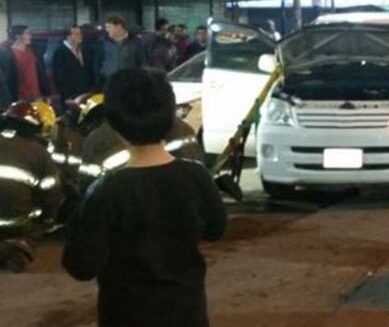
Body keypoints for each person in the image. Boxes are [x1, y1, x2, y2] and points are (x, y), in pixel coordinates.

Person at [62, 68, 227, 327]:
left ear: (114, 125)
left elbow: (81, 265)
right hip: (187, 314)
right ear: (171, 117)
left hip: (127, 315)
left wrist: (74, 217)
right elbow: (216, 229)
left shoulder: (106, 192)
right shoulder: (197, 177)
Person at [0, 101, 63, 272]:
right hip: (17, 226)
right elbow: (52, 196)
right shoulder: (39, 152)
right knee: (38, 226)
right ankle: (17, 248)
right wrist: (48, 221)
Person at [0, 25, 50, 105]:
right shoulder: (8, 54)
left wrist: (46, 93)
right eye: (27, 33)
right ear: (18, 36)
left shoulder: (34, 51)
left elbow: (41, 73)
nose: (30, 36)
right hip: (21, 98)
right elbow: (8, 79)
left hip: (38, 96)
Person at [95, 16, 146, 87]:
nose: (107, 30)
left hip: (128, 82)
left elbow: (141, 63)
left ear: (119, 26)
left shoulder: (135, 42)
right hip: (107, 82)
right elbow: (97, 62)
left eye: (109, 27)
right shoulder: (103, 41)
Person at [52, 26, 93, 106]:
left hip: (85, 95)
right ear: (68, 36)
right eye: (77, 34)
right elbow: (59, 77)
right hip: (70, 98)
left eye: (80, 33)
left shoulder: (84, 50)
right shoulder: (60, 52)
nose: (81, 36)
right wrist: (67, 96)